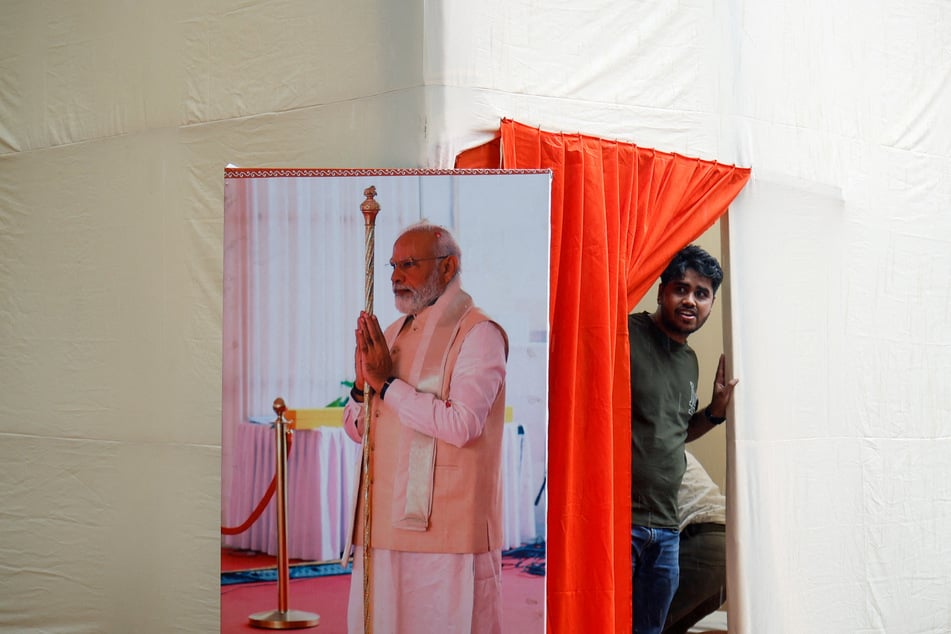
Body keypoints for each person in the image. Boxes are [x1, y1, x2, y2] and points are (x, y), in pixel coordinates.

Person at [342, 221, 508, 634]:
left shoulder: (478, 332)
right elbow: (360, 430)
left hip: (447, 529)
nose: (396, 276)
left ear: (448, 268)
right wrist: (362, 387)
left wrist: (386, 385)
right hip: (382, 522)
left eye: (409, 265)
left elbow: (463, 425)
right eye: (393, 266)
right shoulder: (394, 333)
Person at [629, 244, 738, 634]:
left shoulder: (690, 360)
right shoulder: (627, 334)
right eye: (681, 288)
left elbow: (675, 432)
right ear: (661, 292)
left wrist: (714, 413)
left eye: (702, 293)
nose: (690, 300)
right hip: (623, 521)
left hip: (667, 531)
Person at [663, 450, 727, 634]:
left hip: (702, 543)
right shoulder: (670, 444)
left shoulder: (642, 449)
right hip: (729, 555)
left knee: (639, 625)